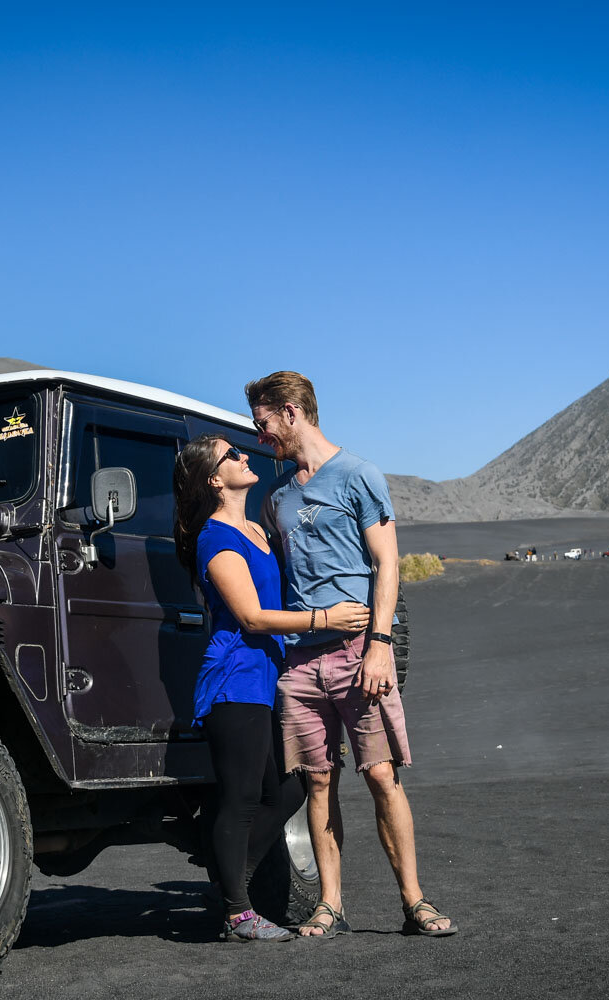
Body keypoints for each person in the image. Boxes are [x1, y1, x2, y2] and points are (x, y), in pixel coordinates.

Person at [245, 371, 457, 939]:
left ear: (291, 412)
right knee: (317, 783)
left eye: (263, 423)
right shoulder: (278, 496)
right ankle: (331, 905)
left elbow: (386, 563)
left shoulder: (359, 475)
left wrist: (380, 646)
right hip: (301, 663)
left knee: (382, 776)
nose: (260, 435)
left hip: (357, 653)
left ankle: (415, 903)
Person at [172, 434, 371, 943]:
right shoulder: (216, 537)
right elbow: (252, 616)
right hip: (234, 679)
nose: (244, 455)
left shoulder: (258, 528)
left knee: (284, 789)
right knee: (241, 799)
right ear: (216, 480)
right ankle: (238, 913)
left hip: (265, 679)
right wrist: (325, 618)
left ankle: (229, 887)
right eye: (231, 455)